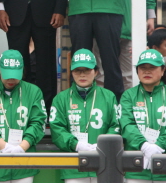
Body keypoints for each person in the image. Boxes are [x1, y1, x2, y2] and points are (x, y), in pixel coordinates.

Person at [0, 49, 47, 183]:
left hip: (24, 162)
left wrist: (22, 147)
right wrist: (3, 146)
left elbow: (38, 122)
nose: (11, 79)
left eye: (15, 75)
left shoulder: (33, 91)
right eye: (7, 74)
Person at [50, 49, 120, 183]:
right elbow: (57, 129)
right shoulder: (61, 99)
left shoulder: (108, 96)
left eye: (87, 70)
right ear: (71, 72)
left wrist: (103, 145)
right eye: (78, 70)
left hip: (103, 164)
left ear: (96, 72)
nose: (82, 75)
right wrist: (75, 144)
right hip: (73, 167)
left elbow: (116, 125)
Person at [120, 49, 166, 181]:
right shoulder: (128, 95)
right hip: (135, 169)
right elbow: (126, 124)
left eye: (152, 67)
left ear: (162, 70)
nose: (147, 71)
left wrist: (159, 145)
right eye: (143, 68)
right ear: (137, 70)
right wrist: (144, 145)